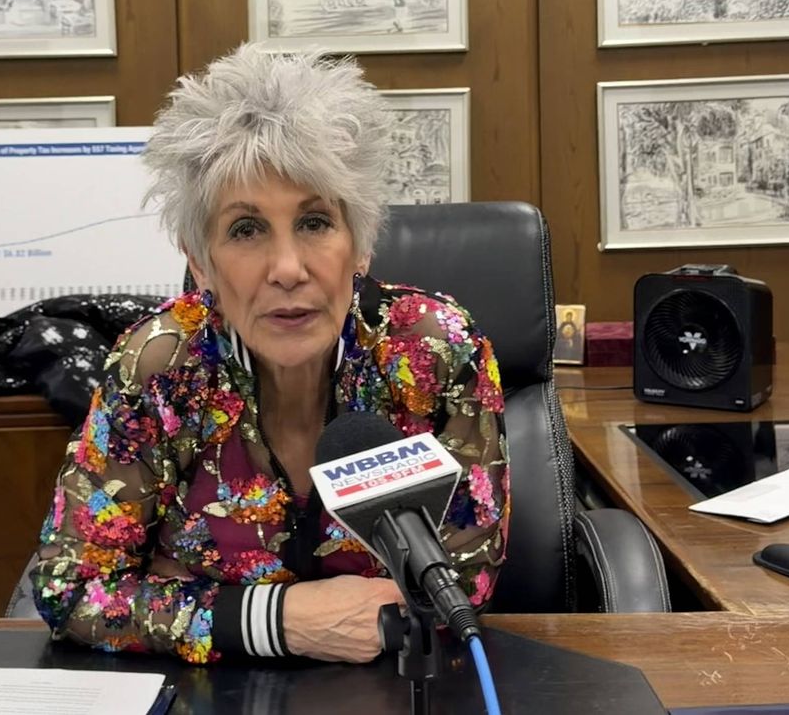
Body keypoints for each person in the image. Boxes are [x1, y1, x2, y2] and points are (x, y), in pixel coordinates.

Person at [31, 44, 510, 664]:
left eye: (314, 223)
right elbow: (73, 589)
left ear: (360, 244)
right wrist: (276, 622)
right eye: (246, 230)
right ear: (200, 259)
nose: (287, 269)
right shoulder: (160, 370)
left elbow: (464, 582)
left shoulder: (435, 351)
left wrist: (183, 603)